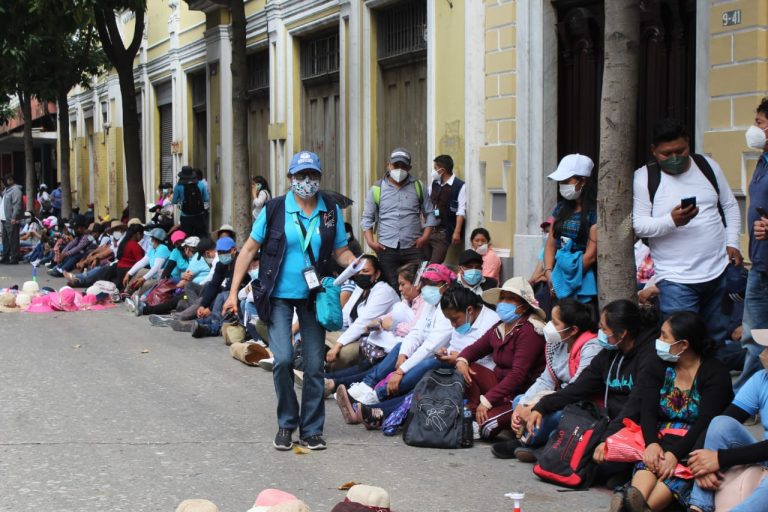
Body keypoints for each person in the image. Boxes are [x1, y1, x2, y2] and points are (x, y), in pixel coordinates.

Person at [222, 150, 358, 452]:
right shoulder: (275, 209)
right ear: (290, 179)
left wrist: (359, 263)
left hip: (314, 296)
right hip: (278, 296)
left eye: (311, 176)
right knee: (283, 359)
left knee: (313, 365)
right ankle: (286, 423)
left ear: (319, 178)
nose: (306, 182)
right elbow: (247, 251)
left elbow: (340, 251)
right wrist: (233, 293)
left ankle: (311, 429)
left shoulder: (330, 211)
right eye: (300, 176)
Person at [633, 118, 742, 347]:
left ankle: (711, 382)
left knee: (715, 341)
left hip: (718, 272)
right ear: (654, 151)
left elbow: (730, 206)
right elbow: (640, 225)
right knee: (680, 342)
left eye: (680, 151)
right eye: (666, 153)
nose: (674, 158)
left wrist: (733, 243)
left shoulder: (708, 166)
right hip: (675, 280)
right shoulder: (645, 177)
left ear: (689, 144)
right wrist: (671, 221)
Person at [610, 312, 733, 512]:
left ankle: (636, 508)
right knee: (647, 466)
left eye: (664, 336)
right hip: (660, 437)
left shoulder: (715, 373)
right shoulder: (657, 364)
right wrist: (651, 444)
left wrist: (675, 455)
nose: (659, 341)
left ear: (683, 345)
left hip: (695, 443)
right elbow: (647, 410)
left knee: (673, 476)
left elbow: (705, 422)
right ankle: (634, 503)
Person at [527, 300, 658, 485]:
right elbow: (578, 387)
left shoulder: (648, 357)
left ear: (622, 334)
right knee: (566, 442)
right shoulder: (609, 353)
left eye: (604, 330)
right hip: (605, 422)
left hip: (631, 427)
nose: (600, 335)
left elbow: (634, 407)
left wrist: (606, 439)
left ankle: (624, 473)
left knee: (597, 456)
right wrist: (541, 406)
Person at [492, 298, 601, 461]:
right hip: (556, 397)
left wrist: (538, 406)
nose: (549, 326)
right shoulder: (559, 343)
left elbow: (575, 390)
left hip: (578, 404)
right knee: (519, 401)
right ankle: (537, 442)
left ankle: (528, 443)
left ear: (573, 330)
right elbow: (546, 380)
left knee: (554, 415)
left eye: (555, 323)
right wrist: (524, 405)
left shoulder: (591, 348)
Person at [335, 263, 455, 408]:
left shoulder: (449, 308)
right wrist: (403, 354)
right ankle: (366, 386)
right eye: (425, 283)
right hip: (420, 349)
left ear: (446, 285)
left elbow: (430, 347)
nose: (427, 287)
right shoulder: (431, 303)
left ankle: (375, 396)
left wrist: (400, 371)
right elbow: (417, 332)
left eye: (432, 284)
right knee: (399, 348)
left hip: (440, 356)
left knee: (426, 362)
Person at [456, 277, 547, 440]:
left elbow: (518, 375)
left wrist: (488, 400)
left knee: (487, 427)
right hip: (500, 387)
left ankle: (490, 416)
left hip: (520, 394)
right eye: (503, 297)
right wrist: (462, 360)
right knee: (466, 369)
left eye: (510, 298)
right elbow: (475, 349)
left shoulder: (529, 331)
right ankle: (477, 410)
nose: (504, 302)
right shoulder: (501, 325)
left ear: (523, 306)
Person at [687, 335, 768, 512]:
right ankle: (698, 506)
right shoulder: (762, 379)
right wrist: (701, 464)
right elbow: (727, 419)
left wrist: (719, 459)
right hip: (763, 455)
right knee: (720, 423)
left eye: (767, 349)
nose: (762, 354)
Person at [325, 262, 425, 392]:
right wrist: (379, 322)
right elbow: (386, 318)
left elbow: (414, 328)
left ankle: (336, 383)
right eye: (358, 272)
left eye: (403, 284)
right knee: (365, 365)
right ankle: (326, 378)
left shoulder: (420, 302)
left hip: (399, 347)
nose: (400, 288)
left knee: (371, 367)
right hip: (381, 341)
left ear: (416, 285)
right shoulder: (406, 300)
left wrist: (393, 326)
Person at [361, 147, 438, 289]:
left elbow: (430, 213)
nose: (399, 169)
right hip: (386, 248)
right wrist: (370, 242)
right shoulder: (377, 189)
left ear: (410, 167)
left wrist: (425, 237)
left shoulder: (418, 187)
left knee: (417, 286)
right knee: (392, 287)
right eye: (396, 165)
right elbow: (367, 217)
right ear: (389, 165)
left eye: (404, 166)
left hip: (414, 247)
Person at [325, 254, 400, 370]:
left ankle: (329, 380)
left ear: (377, 274)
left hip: (374, 341)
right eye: (358, 272)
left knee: (343, 353)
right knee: (317, 336)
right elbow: (346, 314)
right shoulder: (361, 288)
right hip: (355, 335)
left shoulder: (384, 291)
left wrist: (338, 345)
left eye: (365, 271)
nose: (361, 275)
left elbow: (362, 323)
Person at [544, 153, 598, 302]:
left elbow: (590, 256)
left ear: (583, 181)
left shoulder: (596, 212)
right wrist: (549, 273)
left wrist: (563, 284)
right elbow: (550, 243)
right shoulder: (560, 208)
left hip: (582, 280)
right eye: (561, 182)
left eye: (567, 181)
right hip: (557, 275)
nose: (562, 185)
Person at [424, 154, 466, 263]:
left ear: (442, 170)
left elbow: (461, 211)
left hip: (443, 233)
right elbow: (426, 203)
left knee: (434, 265)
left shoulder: (459, 186)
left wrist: (456, 232)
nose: (433, 171)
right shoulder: (434, 184)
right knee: (423, 263)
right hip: (428, 230)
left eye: (435, 168)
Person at [173, 166, 209, 238]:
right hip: (199, 216)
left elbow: (174, 201)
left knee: (186, 238)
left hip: (185, 216)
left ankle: (188, 249)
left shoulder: (178, 186)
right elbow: (206, 199)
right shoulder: (201, 184)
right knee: (201, 237)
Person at [1, 175, 23, 264]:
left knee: (13, 239)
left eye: (5, 181)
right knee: (5, 239)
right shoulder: (6, 190)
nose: (3, 183)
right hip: (4, 219)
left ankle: (15, 258)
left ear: (11, 180)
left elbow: (17, 205)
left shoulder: (16, 190)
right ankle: (5, 257)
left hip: (11, 219)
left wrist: (14, 217)